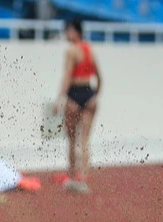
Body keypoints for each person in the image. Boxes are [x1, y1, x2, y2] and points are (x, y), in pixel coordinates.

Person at [53, 19, 102, 194]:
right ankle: (83, 179)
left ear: (75, 31)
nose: (65, 34)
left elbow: (67, 76)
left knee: (72, 140)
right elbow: (98, 75)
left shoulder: (71, 51)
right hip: (90, 93)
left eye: (67, 31)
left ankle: (73, 175)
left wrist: (59, 99)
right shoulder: (89, 49)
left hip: (74, 94)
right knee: (85, 140)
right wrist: (95, 95)